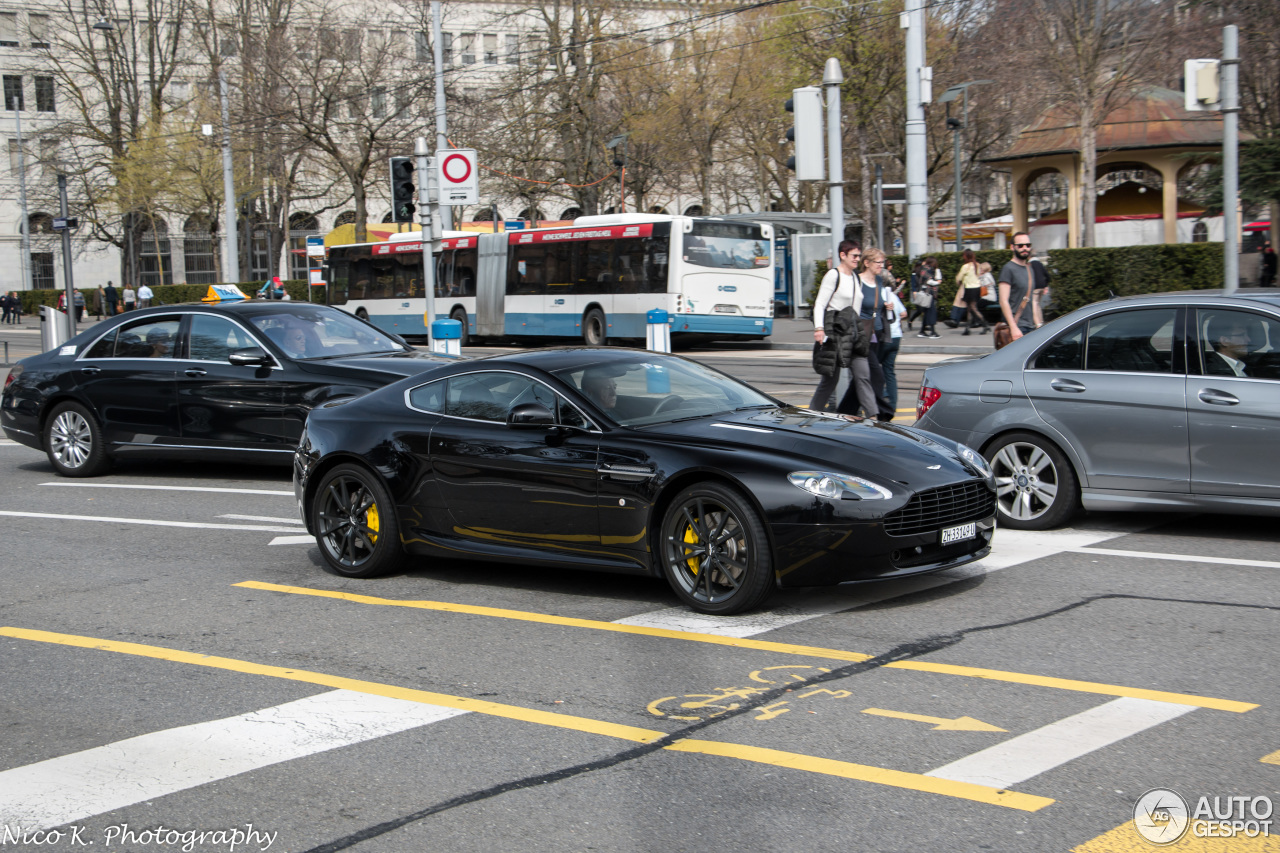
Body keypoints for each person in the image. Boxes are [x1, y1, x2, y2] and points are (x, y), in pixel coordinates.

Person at [810, 241, 877, 418]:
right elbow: (820, 303)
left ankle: (873, 417)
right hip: (836, 333)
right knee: (830, 380)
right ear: (843, 255)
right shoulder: (833, 275)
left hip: (854, 334)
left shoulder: (855, 277)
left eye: (858, 256)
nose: (857, 259)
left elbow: (855, 308)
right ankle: (811, 415)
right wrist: (819, 328)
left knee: (863, 376)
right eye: (854, 256)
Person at [997, 232, 1046, 341]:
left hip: (1030, 327)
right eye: (1020, 246)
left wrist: (1038, 324)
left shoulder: (1030, 269)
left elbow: (1032, 301)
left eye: (1028, 245)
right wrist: (1013, 327)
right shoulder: (1008, 269)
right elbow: (1003, 301)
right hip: (1016, 327)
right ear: (1012, 247)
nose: (1025, 248)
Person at [877, 257, 909, 416]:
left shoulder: (877, 294)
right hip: (896, 336)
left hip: (883, 336)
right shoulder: (893, 296)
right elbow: (904, 313)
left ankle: (878, 401)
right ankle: (893, 403)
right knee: (889, 370)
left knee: (875, 368)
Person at [956, 249, 988, 335]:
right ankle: (967, 328)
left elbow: (959, 278)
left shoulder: (966, 266)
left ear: (966, 256)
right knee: (970, 309)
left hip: (970, 289)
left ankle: (985, 323)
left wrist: (959, 283)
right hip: (976, 288)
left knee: (973, 308)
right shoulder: (977, 265)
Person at [915, 257, 941, 338]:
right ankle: (933, 332)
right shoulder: (928, 270)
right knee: (931, 311)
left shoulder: (923, 269)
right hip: (929, 293)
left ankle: (922, 331)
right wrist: (937, 282)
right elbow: (929, 281)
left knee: (926, 312)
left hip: (924, 292)